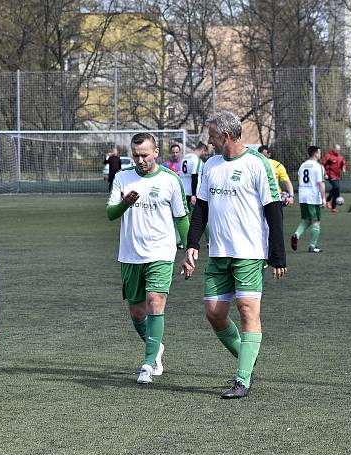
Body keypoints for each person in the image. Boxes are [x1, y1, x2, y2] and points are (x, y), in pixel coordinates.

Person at [180, 111, 286, 399]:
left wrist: (278, 255)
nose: (208, 141)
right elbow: (200, 208)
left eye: (211, 136)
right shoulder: (210, 165)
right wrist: (192, 243)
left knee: (247, 309)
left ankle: (242, 379)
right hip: (218, 253)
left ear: (225, 136)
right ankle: (247, 358)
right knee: (214, 313)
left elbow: (273, 209)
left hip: (250, 252)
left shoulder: (257, 164)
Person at [107, 132, 189, 384]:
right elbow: (111, 214)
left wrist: (189, 250)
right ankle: (157, 347)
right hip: (131, 254)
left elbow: (181, 217)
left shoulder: (171, 179)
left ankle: (148, 362)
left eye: (144, 155)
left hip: (161, 252)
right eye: (135, 155)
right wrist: (125, 205)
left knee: (155, 301)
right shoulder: (122, 177)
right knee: (137, 312)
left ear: (155, 153)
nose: (140, 160)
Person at [291, 146, 327, 253]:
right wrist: (323, 198)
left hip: (302, 196)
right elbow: (321, 184)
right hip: (313, 197)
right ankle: (312, 246)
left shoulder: (302, 166)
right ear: (316, 154)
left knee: (306, 220)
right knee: (316, 221)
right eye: (319, 153)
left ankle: (296, 234)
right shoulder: (318, 166)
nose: (320, 154)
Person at [321, 143, 347, 213]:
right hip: (330, 175)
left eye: (339, 150)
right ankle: (332, 205)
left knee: (336, 190)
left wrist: (343, 168)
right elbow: (322, 164)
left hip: (337, 176)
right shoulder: (328, 156)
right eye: (337, 150)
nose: (338, 151)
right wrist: (325, 173)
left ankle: (329, 202)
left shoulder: (341, 157)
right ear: (334, 149)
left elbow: (343, 163)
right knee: (336, 188)